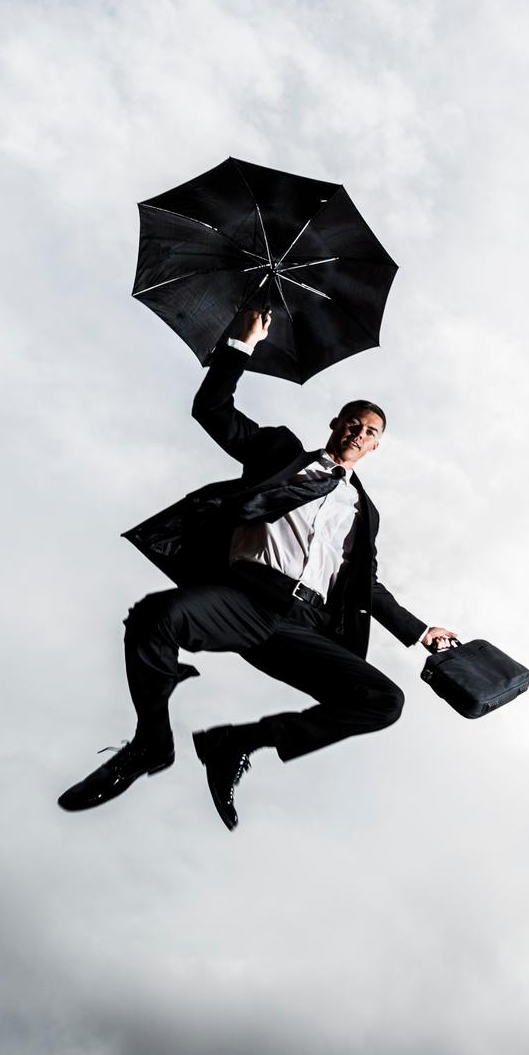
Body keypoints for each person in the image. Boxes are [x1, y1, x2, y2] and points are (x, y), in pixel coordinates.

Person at [58, 308, 457, 830]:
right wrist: (241, 343)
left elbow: (365, 585)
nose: (360, 433)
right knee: (156, 617)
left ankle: (234, 744)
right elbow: (213, 410)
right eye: (353, 422)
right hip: (245, 600)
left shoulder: (364, 512)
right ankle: (151, 743)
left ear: (378, 445)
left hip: (305, 628)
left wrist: (421, 631)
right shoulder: (280, 454)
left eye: (371, 431)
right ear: (335, 425)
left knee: (383, 701)